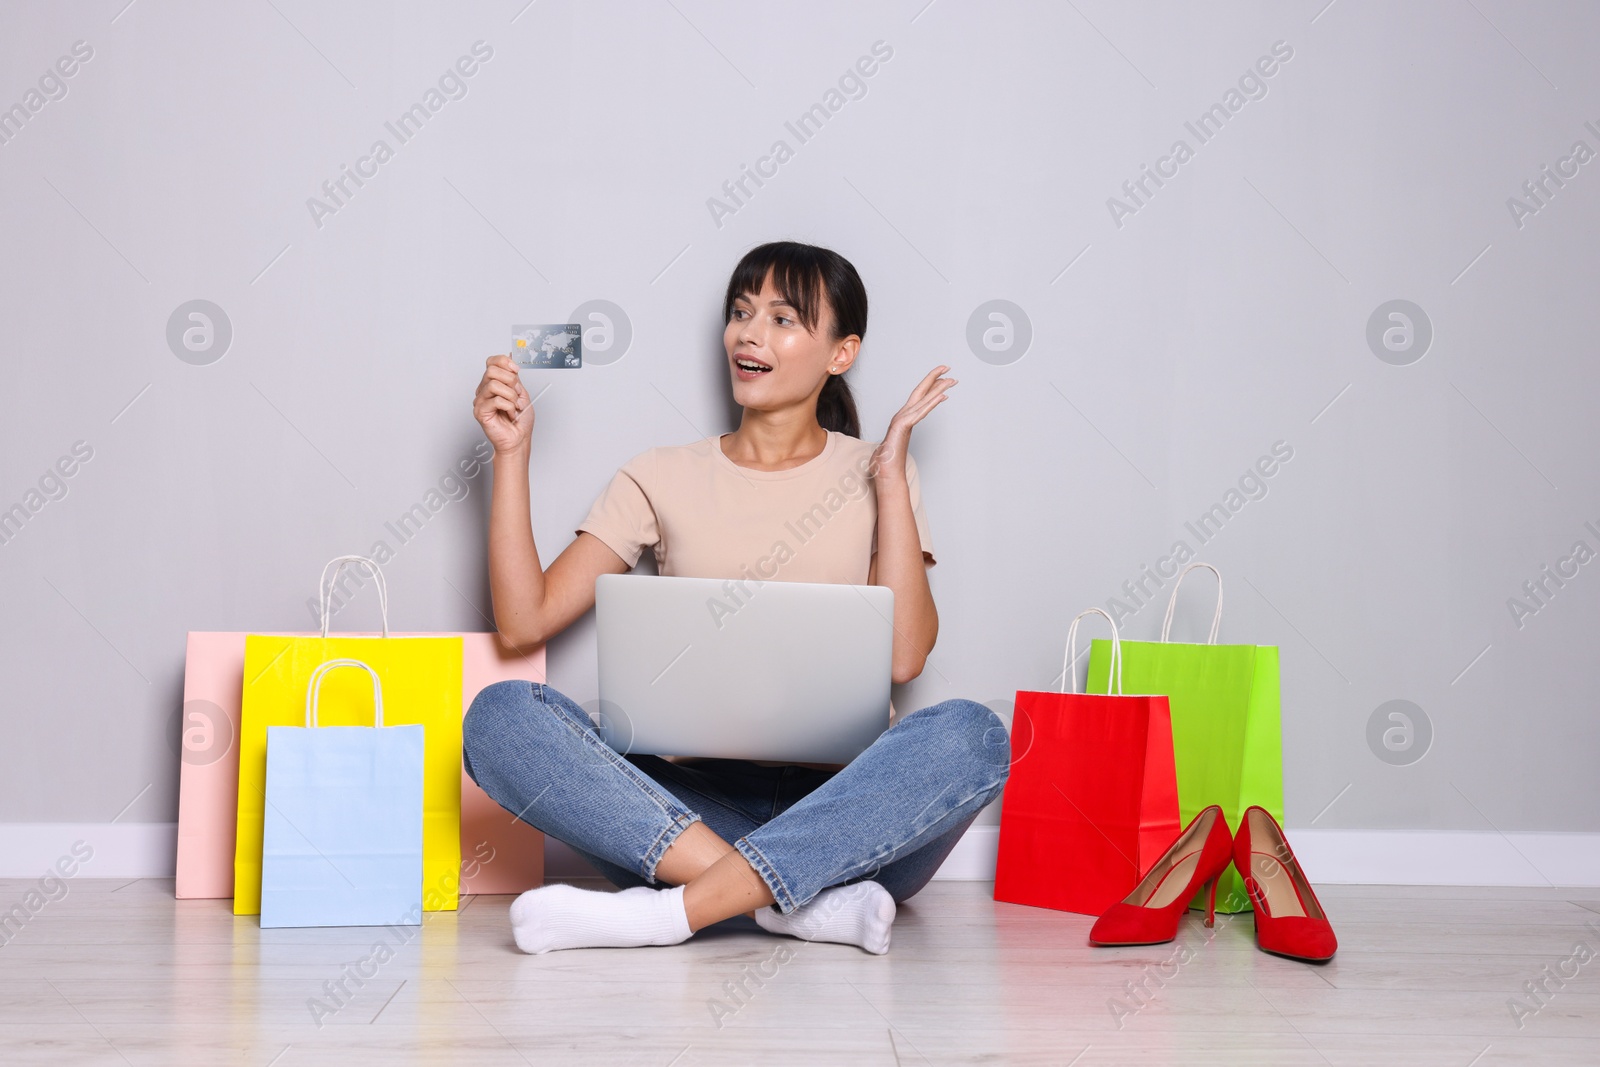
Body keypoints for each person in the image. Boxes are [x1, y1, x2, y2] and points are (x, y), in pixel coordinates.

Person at [462, 240, 1010, 955]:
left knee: (974, 732)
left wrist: (889, 474)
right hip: (688, 812)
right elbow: (522, 620)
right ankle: (794, 902)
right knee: (500, 716)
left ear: (840, 353)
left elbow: (906, 656)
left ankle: (667, 913)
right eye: (742, 312)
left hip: (850, 811)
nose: (749, 333)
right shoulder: (659, 473)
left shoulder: (880, 472)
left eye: (784, 318)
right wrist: (511, 456)